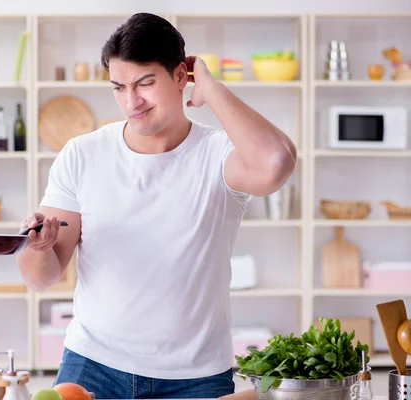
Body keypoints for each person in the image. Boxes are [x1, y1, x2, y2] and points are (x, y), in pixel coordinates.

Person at [17, 12, 297, 399]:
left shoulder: (219, 155)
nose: (131, 101)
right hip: (92, 365)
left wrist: (211, 89)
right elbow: (39, 278)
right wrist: (38, 247)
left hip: (196, 377)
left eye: (145, 83)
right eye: (118, 87)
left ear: (181, 76)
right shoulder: (83, 154)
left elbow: (276, 164)